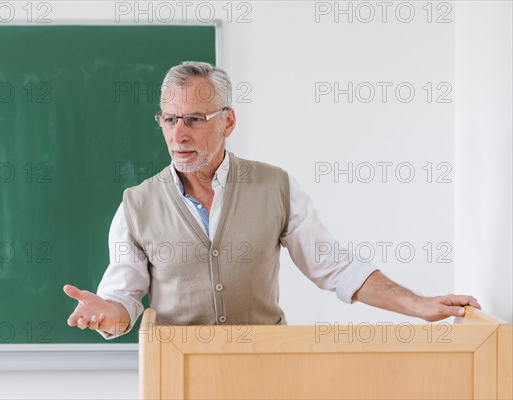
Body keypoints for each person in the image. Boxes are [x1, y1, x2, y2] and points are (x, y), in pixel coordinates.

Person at [63, 62, 480, 338]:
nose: (178, 134)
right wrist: (107, 313)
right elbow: (123, 302)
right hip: (179, 375)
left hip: (266, 370)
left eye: (193, 119)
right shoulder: (136, 205)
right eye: (169, 120)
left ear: (228, 121)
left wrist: (420, 305)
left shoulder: (275, 186)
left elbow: (335, 268)